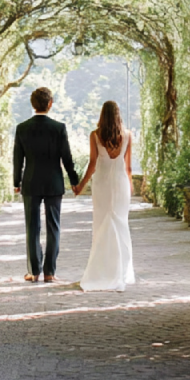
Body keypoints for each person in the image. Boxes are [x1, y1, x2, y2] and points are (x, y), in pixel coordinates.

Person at [13, 87, 79, 283]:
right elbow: (67, 158)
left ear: (32, 104)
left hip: (31, 182)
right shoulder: (59, 128)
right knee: (53, 227)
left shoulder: (22, 128)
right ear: (50, 103)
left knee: (32, 227)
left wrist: (16, 182)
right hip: (53, 183)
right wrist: (74, 181)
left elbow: (18, 159)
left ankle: (34, 271)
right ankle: (49, 272)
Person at [73, 100, 135, 292]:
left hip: (102, 184)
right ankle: (121, 271)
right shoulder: (127, 136)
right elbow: (128, 167)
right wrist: (130, 186)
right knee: (121, 223)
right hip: (121, 183)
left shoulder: (95, 135)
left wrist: (81, 185)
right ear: (118, 115)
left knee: (101, 224)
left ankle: (101, 271)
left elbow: (93, 164)